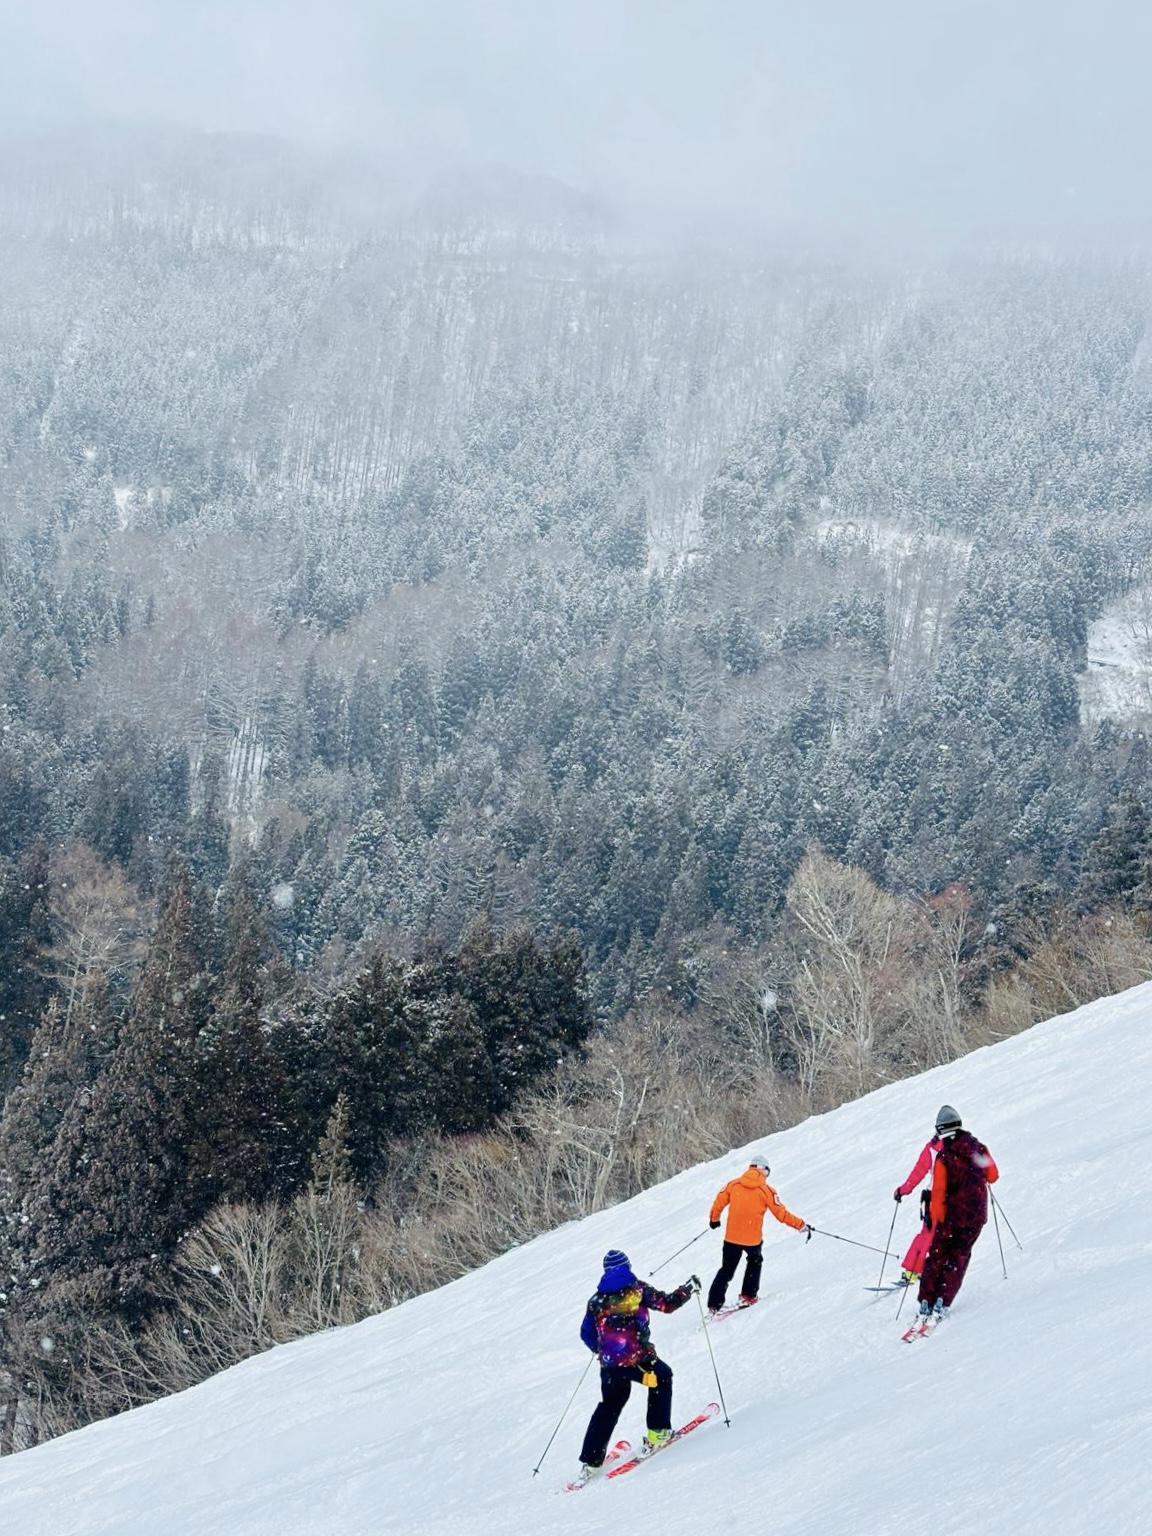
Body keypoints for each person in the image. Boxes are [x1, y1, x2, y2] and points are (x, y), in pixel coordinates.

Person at [576, 1249, 699, 1481]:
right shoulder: (637, 1290)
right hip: (638, 1359)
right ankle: (659, 1432)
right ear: (628, 1267)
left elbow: (586, 1333)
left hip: (610, 1366)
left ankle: (591, 1462)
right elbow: (666, 1304)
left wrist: (602, 1350)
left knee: (610, 1404)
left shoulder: (596, 1300)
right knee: (662, 1377)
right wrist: (688, 1289)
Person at [915, 1104, 999, 1321]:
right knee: (959, 1257)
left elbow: (939, 1191)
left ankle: (927, 1299)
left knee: (937, 1256)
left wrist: (935, 1218)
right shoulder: (979, 1148)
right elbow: (993, 1176)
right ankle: (944, 1299)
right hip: (975, 1217)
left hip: (951, 1217)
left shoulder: (944, 1156)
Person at [706, 1153, 811, 1314]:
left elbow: (719, 1201)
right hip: (752, 1239)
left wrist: (714, 1219)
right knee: (754, 1262)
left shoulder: (733, 1184)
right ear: (765, 1171)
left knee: (726, 1269)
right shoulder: (766, 1190)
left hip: (731, 1238)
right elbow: (781, 1214)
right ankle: (748, 1296)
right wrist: (801, 1225)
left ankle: (714, 1304)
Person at [893, 1125, 945, 1282]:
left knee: (927, 1235)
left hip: (932, 1198)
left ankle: (912, 1271)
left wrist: (903, 1190)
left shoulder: (932, 1147)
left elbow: (919, 1171)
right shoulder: (961, 1146)